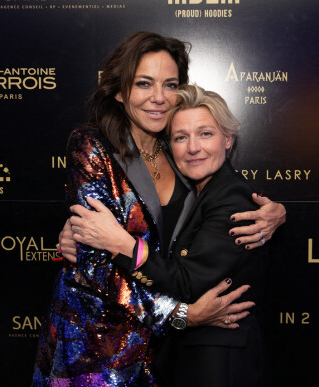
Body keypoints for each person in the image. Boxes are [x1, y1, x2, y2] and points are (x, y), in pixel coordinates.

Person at [33, 31, 285, 387]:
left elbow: (222, 195)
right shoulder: (93, 146)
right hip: (98, 345)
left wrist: (276, 211)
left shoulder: (178, 144)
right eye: (144, 83)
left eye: (170, 84)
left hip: (164, 352)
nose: (159, 97)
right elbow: (94, 262)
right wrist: (181, 315)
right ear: (121, 91)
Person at [63, 84, 270, 386]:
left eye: (206, 134)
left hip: (217, 362)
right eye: (180, 137)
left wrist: (121, 244)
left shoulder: (232, 199)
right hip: (183, 355)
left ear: (228, 139)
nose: (193, 147)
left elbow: (186, 282)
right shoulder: (195, 192)